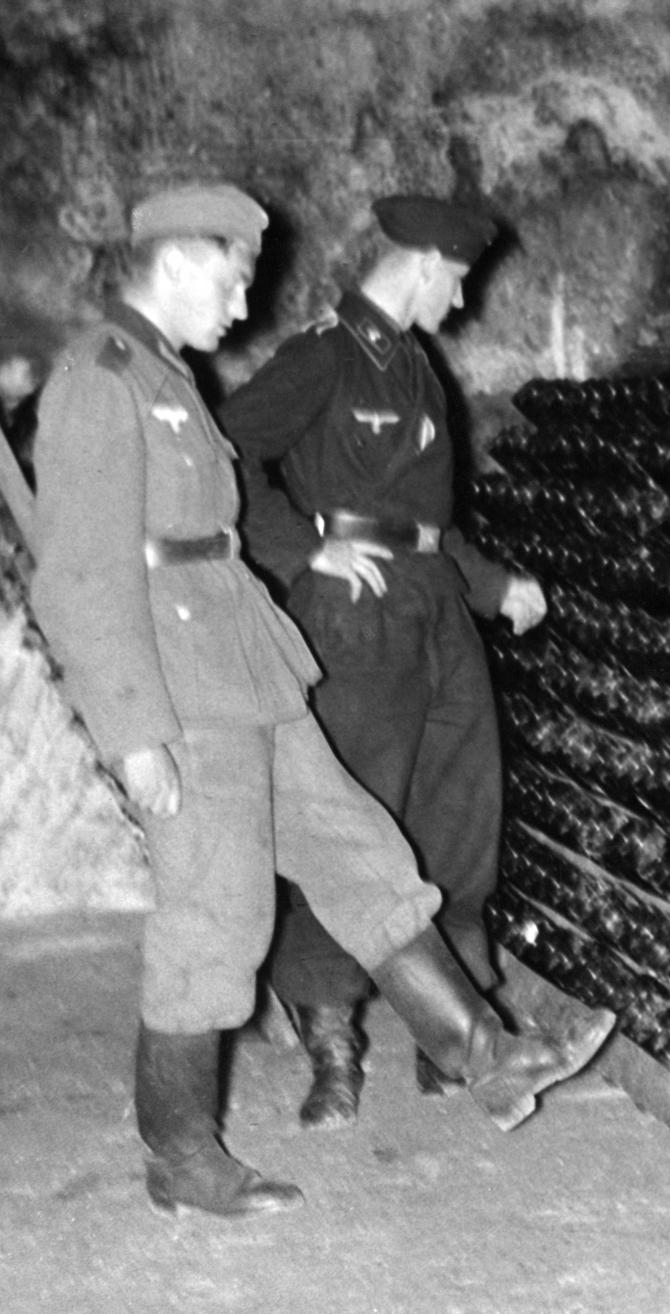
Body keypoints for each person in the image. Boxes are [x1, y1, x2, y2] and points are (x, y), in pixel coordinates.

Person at [29, 182, 612, 1219]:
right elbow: (79, 577)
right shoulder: (100, 379)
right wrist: (134, 732)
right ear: (176, 261)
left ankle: (482, 1052)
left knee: (360, 850)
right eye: (231, 277)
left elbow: (217, 535)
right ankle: (180, 1153)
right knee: (218, 913)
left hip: (248, 661)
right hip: (180, 683)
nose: (243, 302)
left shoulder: (166, 371)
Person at [221, 195, 546, 1129]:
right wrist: (301, 549)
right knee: (351, 828)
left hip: (436, 612)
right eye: (459, 282)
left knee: (458, 817)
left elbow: (426, 522)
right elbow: (225, 453)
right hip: (355, 624)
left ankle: (457, 1040)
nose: (461, 301)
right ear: (425, 265)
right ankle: (333, 1048)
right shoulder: (323, 356)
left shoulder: (416, 365)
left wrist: (494, 586)